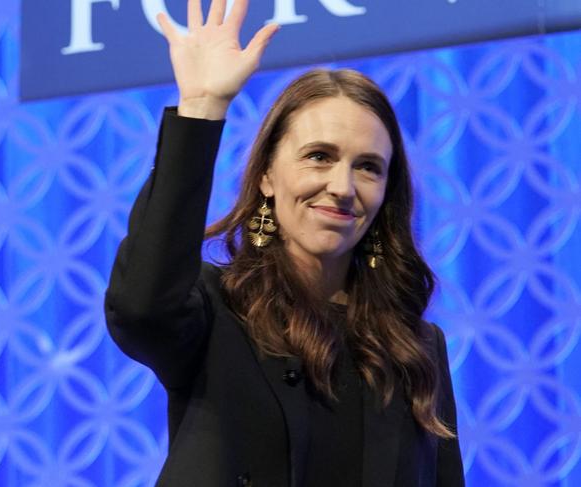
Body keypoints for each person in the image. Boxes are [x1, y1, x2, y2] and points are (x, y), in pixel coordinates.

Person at [104, 0, 465, 485]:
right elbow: (140, 307)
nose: (342, 185)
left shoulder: (416, 346)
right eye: (319, 156)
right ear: (268, 175)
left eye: (367, 167)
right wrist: (201, 111)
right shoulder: (215, 310)